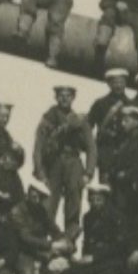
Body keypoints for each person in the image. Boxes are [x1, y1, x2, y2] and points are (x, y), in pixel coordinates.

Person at [33, 86, 96, 236]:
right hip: (54, 164)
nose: (64, 98)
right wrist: (40, 172)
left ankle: (69, 240)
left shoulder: (79, 120)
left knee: (73, 203)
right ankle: (44, 242)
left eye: (68, 95)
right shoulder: (48, 119)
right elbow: (38, 147)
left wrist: (88, 172)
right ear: (56, 97)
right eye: (61, 95)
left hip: (73, 163)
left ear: (73, 98)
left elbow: (91, 147)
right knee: (48, 204)